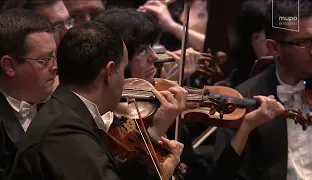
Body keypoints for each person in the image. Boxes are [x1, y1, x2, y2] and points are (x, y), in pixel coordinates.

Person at [93, 8, 287, 180]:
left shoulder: (165, 102)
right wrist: (157, 129)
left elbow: (210, 176)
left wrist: (246, 127)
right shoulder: (103, 122)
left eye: (152, 46)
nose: (154, 56)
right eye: (142, 51)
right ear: (116, 62)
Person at [9, 20, 184, 180]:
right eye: (123, 70)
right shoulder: (64, 131)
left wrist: (156, 161)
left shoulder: (67, 113)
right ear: (109, 72)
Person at [213, 0, 312, 179]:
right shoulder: (244, 98)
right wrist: (246, 128)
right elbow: (223, 174)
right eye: (303, 42)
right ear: (274, 48)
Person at [0, 8, 57, 180]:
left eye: (55, 56)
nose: (55, 67)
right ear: (9, 66)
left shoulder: (56, 104)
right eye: (45, 60)